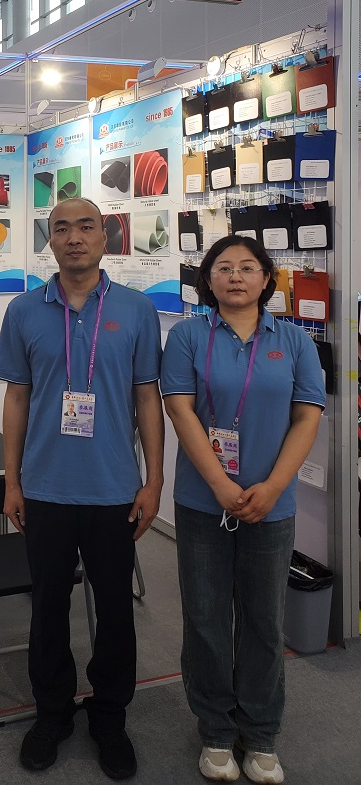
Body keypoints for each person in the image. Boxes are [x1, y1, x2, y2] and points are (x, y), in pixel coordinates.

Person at [0, 197, 164, 780]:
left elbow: (147, 398)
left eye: (85, 227)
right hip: (45, 488)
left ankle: (110, 717)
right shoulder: (24, 310)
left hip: (114, 489)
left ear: (104, 237)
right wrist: (11, 480)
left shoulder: (137, 309)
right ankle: (53, 714)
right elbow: (16, 397)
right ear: (50, 240)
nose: (73, 237)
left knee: (115, 609)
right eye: (61, 228)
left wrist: (154, 480)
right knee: (47, 608)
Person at [161, 235, 324, 785]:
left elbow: (307, 416)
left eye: (248, 267)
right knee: (206, 618)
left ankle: (260, 735)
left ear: (266, 279)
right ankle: (214, 729)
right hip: (203, 502)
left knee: (263, 620)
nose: (235, 276)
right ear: (207, 280)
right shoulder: (187, 336)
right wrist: (220, 484)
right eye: (224, 267)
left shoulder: (295, 340)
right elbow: (179, 409)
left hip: (271, 507)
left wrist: (273, 486)